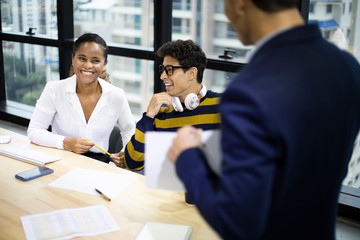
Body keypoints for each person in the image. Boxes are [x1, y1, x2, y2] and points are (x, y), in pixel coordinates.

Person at [167, 0, 360, 239]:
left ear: (239, 3)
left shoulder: (250, 90)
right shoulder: (348, 67)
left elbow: (237, 222)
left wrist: (187, 157)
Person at [27, 33, 135, 164]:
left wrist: (126, 154)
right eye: (82, 58)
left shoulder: (117, 95)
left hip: (98, 165)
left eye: (95, 60)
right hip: (60, 159)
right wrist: (65, 142)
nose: (88, 65)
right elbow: (34, 131)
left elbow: (129, 131)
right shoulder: (54, 89)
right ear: (73, 59)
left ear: (104, 64)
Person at [119, 39, 221, 171]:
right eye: (163, 70)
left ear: (191, 73)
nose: (162, 76)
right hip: (166, 188)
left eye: (169, 70)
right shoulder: (162, 110)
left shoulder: (222, 107)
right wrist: (149, 116)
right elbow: (133, 162)